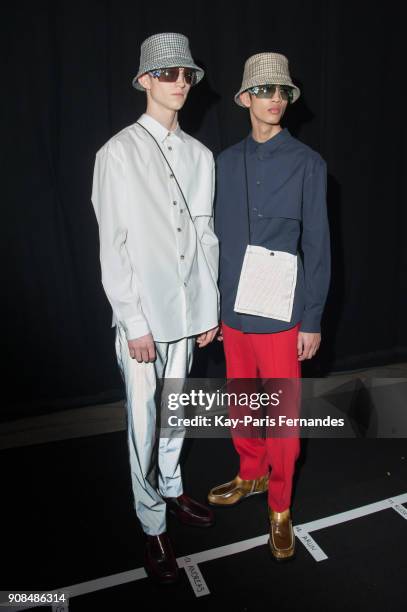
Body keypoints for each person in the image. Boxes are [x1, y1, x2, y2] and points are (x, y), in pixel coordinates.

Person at [91, 32, 219, 584]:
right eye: (168, 74)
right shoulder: (117, 153)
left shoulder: (200, 155)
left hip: (188, 312)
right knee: (142, 424)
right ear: (144, 81)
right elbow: (112, 246)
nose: (180, 84)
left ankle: (171, 487)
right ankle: (152, 524)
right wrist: (133, 322)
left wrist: (209, 309)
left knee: (175, 411)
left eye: (186, 74)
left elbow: (206, 235)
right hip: (143, 320)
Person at [208, 52, 331, 561]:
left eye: (281, 92)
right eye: (265, 91)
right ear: (245, 100)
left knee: (282, 416)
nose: (275, 99)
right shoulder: (222, 162)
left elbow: (320, 246)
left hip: (283, 313)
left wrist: (314, 318)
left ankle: (280, 505)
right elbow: (211, 240)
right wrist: (208, 308)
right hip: (233, 310)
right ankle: (251, 473)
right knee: (241, 401)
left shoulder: (308, 164)